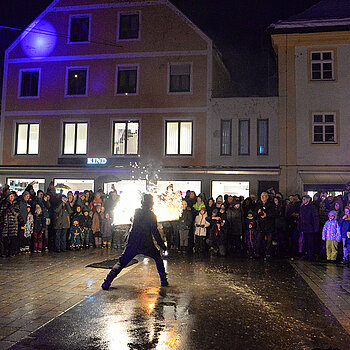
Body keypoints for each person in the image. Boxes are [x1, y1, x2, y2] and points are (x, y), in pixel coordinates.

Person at [101, 194, 168, 290]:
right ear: (151, 204)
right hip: (146, 243)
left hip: (133, 242)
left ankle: (107, 282)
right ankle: (163, 281)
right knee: (158, 258)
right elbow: (155, 232)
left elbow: (132, 220)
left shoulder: (137, 212)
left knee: (121, 263)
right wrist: (162, 245)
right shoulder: (152, 215)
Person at [297, 195, 319, 261]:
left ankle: (310, 255)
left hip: (310, 227)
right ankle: (307, 254)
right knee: (306, 242)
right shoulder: (302, 207)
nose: (303, 200)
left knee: (310, 242)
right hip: (304, 227)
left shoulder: (312, 207)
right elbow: (300, 218)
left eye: (304, 199)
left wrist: (315, 228)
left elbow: (315, 218)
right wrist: (299, 226)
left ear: (308, 199)